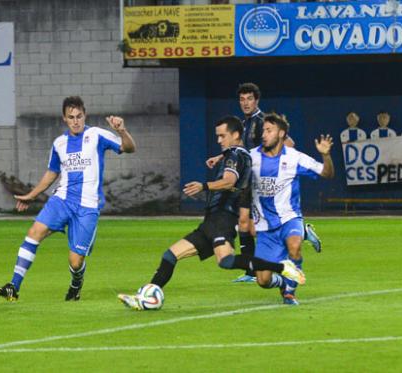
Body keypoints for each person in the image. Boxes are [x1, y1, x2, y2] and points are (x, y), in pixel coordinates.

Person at [117, 116, 305, 310]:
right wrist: (221, 157)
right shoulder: (239, 155)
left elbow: (229, 180)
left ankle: (282, 268)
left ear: (236, 134)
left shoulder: (236, 155)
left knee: (226, 260)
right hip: (211, 220)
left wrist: (203, 186)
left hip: (223, 218)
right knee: (170, 255)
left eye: (222, 136)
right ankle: (149, 297)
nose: (219, 140)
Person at [0, 96, 136, 302]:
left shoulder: (97, 135)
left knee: (75, 261)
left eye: (79, 116)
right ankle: (13, 286)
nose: (76, 121)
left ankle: (76, 284)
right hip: (62, 201)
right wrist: (32, 196)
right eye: (71, 117)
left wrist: (121, 131)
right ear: (64, 119)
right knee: (34, 232)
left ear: (84, 115)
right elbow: (52, 173)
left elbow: (129, 148)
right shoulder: (59, 143)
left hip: (87, 206)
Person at [207, 83, 320, 284]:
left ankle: (261, 266)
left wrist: (276, 160)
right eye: (242, 99)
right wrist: (220, 156)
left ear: (256, 100)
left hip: (259, 180)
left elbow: (289, 144)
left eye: (249, 99)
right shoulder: (245, 122)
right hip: (249, 179)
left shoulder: (261, 121)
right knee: (245, 224)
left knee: (248, 224)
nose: (245, 103)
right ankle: (254, 269)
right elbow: (242, 149)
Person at [250, 113, 334, 305]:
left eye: (269, 130)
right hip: (264, 226)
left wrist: (326, 154)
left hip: (289, 218)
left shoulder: (295, 158)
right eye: (263, 130)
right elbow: (236, 169)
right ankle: (282, 280)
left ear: (281, 133)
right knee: (262, 281)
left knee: (295, 248)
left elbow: (327, 173)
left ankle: (289, 291)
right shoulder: (252, 157)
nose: (264, 134)